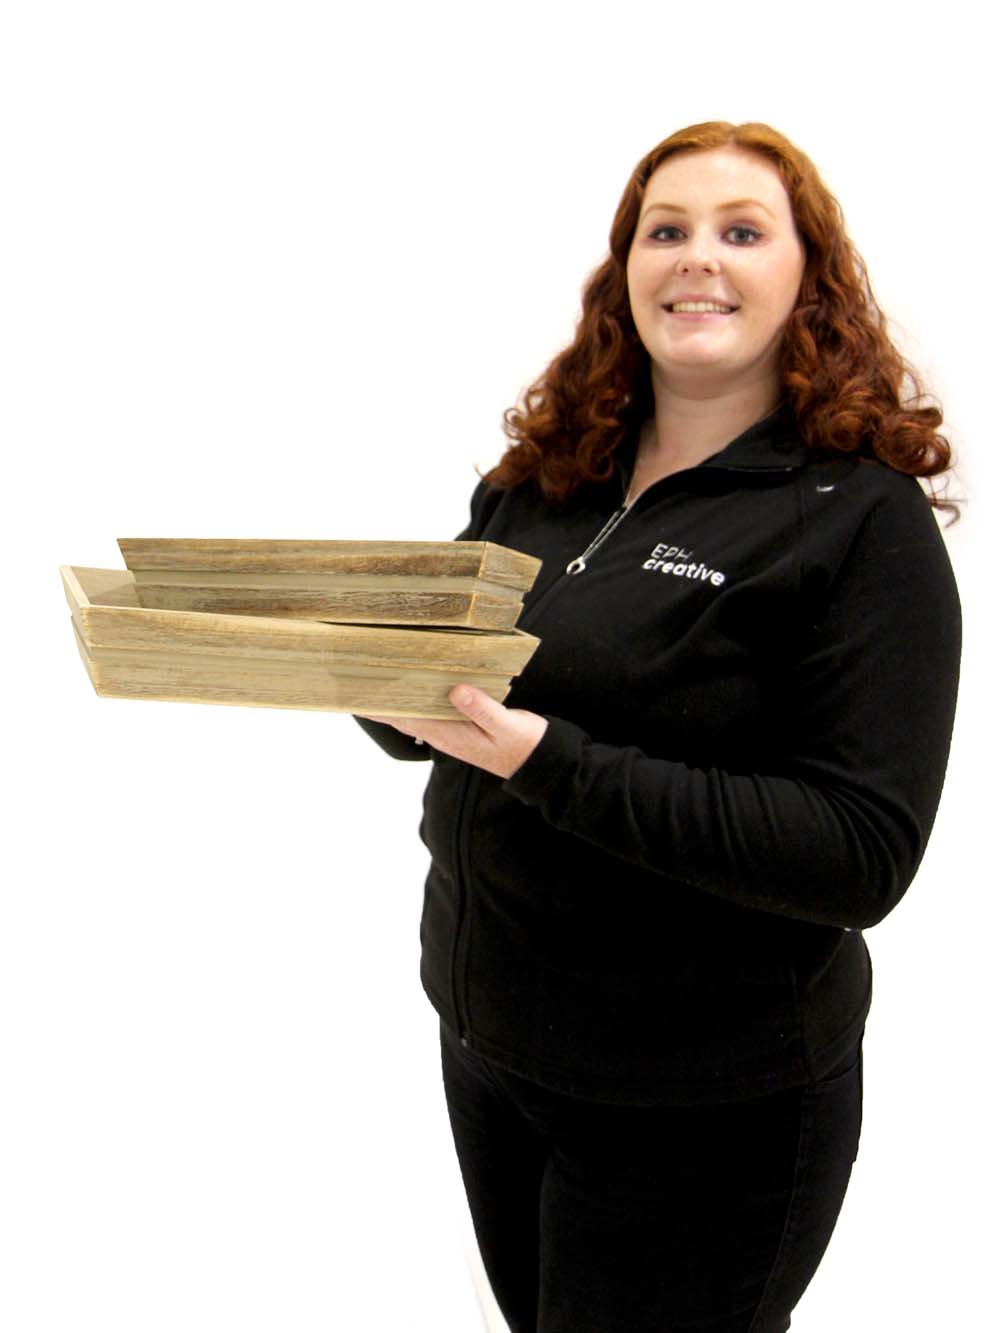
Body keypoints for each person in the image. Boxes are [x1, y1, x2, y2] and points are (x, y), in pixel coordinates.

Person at [354, 120, 962, 1333]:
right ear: (623, 267)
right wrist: (378, 692)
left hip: (699, 1107)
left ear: (810, 277)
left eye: (742, 232)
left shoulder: (859, 521)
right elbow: (454, 694)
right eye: (665, 230)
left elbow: (858, 851)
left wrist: (547, 760)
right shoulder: (545, 476)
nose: (697, 257)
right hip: (492, 1050)